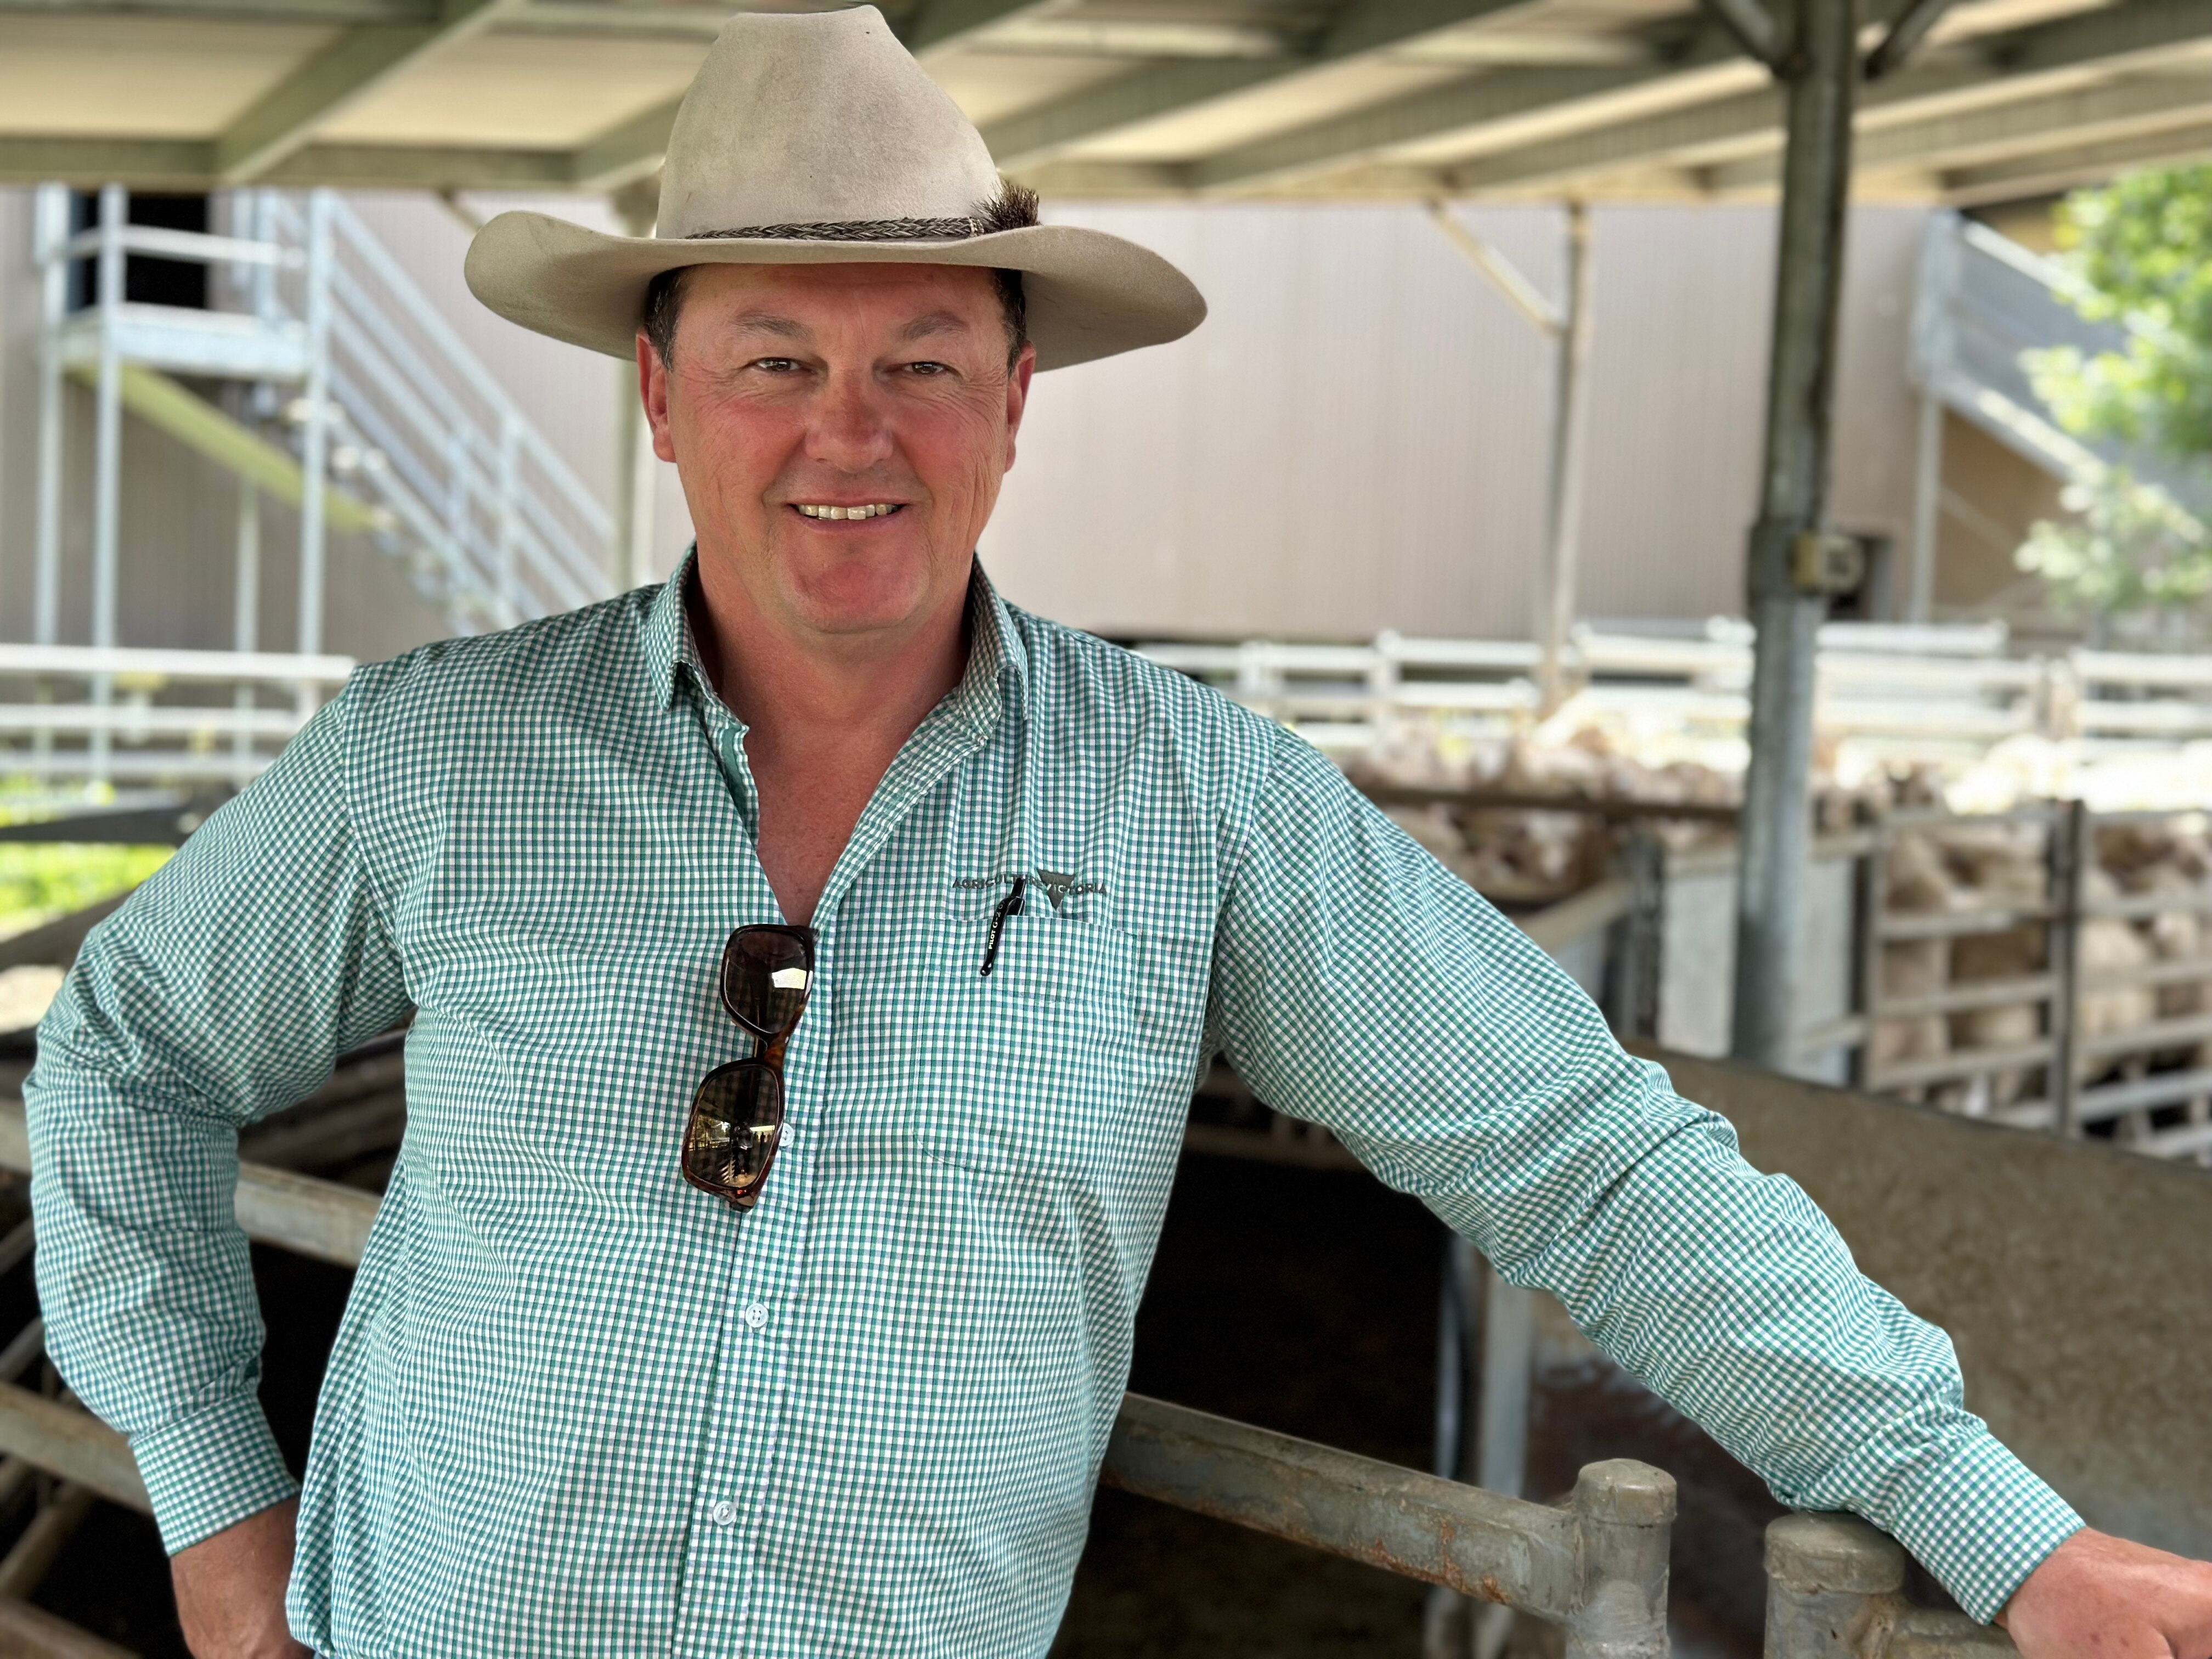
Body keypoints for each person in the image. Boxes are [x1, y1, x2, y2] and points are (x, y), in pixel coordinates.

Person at [24, 9, 2212, 1658]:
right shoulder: (442, 754)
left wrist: (2000, 1530)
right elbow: (125, 1051)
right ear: (664, 397)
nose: (847, 436)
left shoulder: (1196, 801)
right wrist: (221, 1533)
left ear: (1015, 404)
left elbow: (1585, 1157)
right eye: (774, 360)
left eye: (923, 365)